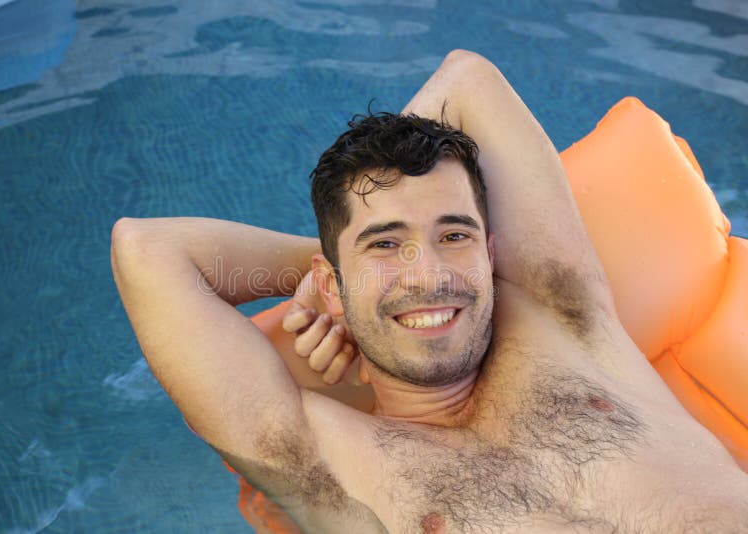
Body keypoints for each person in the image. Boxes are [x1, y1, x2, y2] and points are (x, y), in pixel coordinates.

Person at [110, 50, 747, 532]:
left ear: (490, 249)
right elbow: (148, 252)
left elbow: (467, 78)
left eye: (454, 235)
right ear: (330, 283)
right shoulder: (316, 458)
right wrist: (334, 276)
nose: (429, 275)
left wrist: (359, 273)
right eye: (385, 244)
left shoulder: (563, 314)